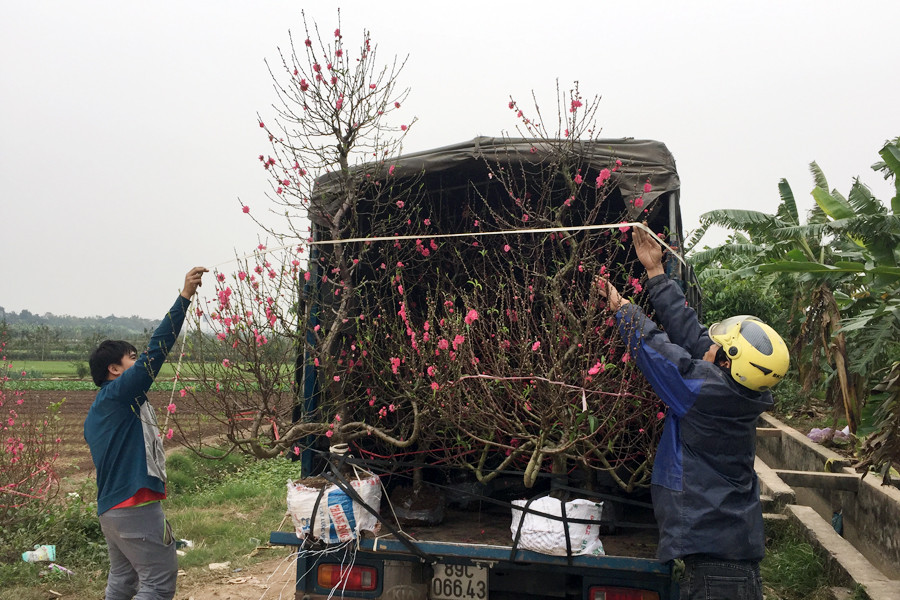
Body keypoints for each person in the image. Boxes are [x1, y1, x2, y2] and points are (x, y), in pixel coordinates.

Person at [598, 226, 788, 600]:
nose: (709, 345)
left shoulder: (706, 392)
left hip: (718, 576)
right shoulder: (738, 390)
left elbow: (662, 356)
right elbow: (693, 336)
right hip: (727, 561)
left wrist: (622, 308)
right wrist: (655, 272)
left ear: (727, 362)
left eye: (719, 346)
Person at [85, 266, 207, 600]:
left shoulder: (100, 410)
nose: (138, 362)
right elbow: (156, 351)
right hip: (135, 507)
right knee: (157, 584)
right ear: (114, 369)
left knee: (123, 582)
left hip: (111, 512)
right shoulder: (120, 394)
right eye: (131, 358)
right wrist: (185, 297)